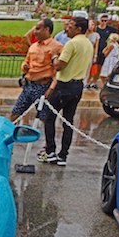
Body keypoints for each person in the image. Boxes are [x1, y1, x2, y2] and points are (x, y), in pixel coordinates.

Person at [39, 17, 93, 167]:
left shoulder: (72, 44)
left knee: (49, 118)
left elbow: (59, 66)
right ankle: (63, 155)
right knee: (68, 121)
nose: (67, 29)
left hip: (64, 85)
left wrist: (55, 55)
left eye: (71, 26)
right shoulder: (88, 43)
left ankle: (50, 151)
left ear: (79, 29)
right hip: (77, 86)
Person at [9, 19, 62, 122]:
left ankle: (45, 138)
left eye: (38, 29)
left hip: (43, 86)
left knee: (44, 118)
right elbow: (26, 61)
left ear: (46, 29)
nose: (34, 32)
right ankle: (10, 135)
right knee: (15, 113)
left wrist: (51, 89)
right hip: (28, 85)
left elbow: (59, 71)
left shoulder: (57, 47)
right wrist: (24, 66)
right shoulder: (33, 46)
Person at [89, 14, 117, 89]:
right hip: (96, 49)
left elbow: (117, 34)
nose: (104, 22)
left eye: (105, 20)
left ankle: (94, 81)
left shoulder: (110, 29)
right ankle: (89, 80)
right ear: (99, 20)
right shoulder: (96, 29)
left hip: (104, 50)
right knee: (93, 66)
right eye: (102, 20)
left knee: (100, 67)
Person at [84, 20, 100, 89]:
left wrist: (95, 56)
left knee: (88, 68)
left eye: (93, 24)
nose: (91, 26)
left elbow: (96, 46)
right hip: (83, 53)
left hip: (91, 53)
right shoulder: (84, 34)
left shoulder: (96, 35)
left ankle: (86, 82)